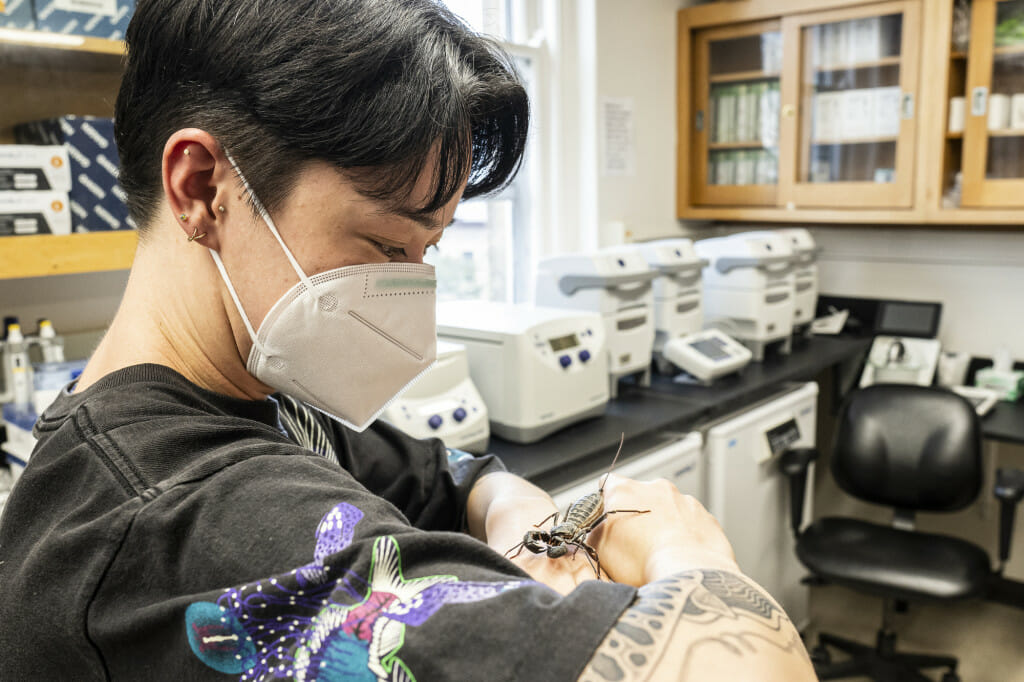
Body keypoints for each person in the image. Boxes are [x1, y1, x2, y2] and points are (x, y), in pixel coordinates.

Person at [0, 1, 817, 680]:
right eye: (388, 245)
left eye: (429, 251)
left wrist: (523, 521)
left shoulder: (257, 397)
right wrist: (684, 549)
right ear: (203, 188)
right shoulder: (184, 516)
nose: (408, 289)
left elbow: (448, 477)